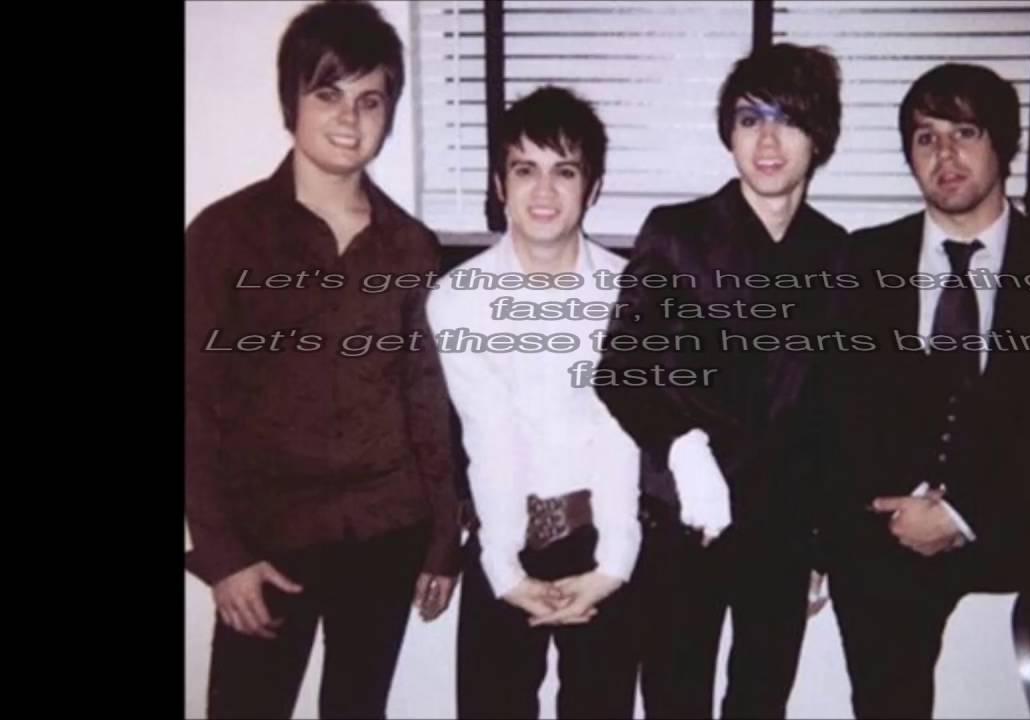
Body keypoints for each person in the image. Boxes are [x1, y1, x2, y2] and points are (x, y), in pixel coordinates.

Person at [184, 2, 460, 716]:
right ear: (292, 101)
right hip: (267, 539)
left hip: (385, 531)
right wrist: (222, 555)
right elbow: (194, 402)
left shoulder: (410, 246)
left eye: (370, 100)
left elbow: (425, 399)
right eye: (328, 93)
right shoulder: (225, 236)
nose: (349, 118)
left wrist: (442, 537)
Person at [817, 62, 1030, 718]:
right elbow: (834, 410)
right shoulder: (863, 261)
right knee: (884, 669)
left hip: (1020, 517)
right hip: (890, 526)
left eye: (964, 132)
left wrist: (963, 513)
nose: (945, 154)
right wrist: (886, 513)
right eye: (926, 138)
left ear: (1003, 144)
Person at [594, 43, 848, 719]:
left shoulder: (835, 252)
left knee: (761, 702)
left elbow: (832, 411)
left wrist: (821, 541)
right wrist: (683, 448)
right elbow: (621, 369)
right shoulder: (676, 234)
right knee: (674, 702)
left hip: (782, 533)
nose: (766, 141)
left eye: (788, 120)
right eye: (749, 119)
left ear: (819, 136)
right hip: (686, 520)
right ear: (728, 132)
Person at [428, 85, 642, 720]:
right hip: (501, 531)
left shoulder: (630, 293)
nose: (544, 191)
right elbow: (488, 434)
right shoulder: (458, 299)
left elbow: (620, 430)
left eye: (564, 171)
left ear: (592, 187)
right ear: (500, 184)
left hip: (606, 531)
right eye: (525, 170)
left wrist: (614, 565)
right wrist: (503, 569)